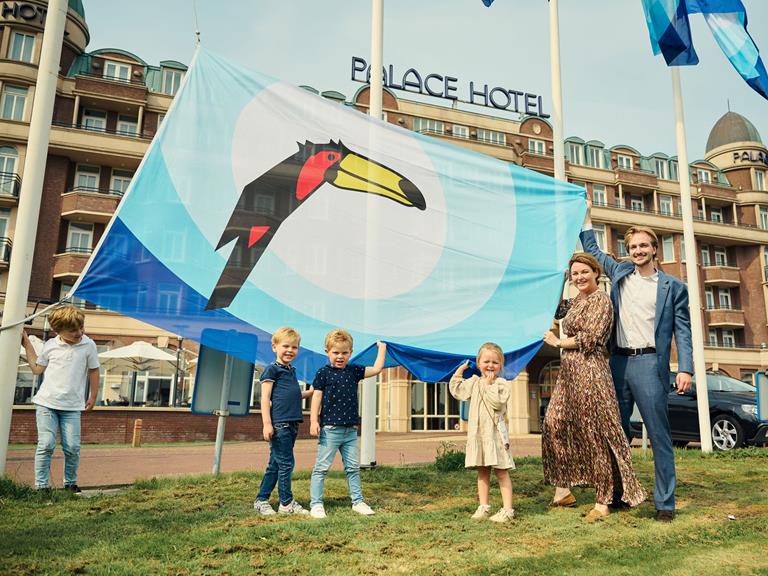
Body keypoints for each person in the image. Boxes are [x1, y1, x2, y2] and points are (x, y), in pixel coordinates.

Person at [581, 208, 693, 522]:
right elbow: (591, 250)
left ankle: (665, 504)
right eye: (633, 247)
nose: (638, 251)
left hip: (648, 363)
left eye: (643, 246)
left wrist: (685, 367)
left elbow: (682, 330)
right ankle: (617, 494)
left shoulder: (674, 288)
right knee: (616, 432)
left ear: (654, 249)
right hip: (617, 362)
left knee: (659, 434)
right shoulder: (619, 273)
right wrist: (585, 218)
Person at [542, 254, 645, 521]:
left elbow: (592, 338)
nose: (579, 277)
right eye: (575, 273)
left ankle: (603, 501)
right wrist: (559, 282)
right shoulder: (577, 300)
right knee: (554, 423)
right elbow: (555, 310)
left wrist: (558, 342)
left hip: (591, 371)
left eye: (584, 272)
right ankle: (563, 489)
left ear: (595, 272)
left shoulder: (601, 300)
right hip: (568, 374)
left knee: (594, 433)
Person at [308, 330, 387, 519]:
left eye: (344, 353)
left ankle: (358, 501)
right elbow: (317, 396)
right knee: (321, 468)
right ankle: (316, 504)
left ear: (350, 353)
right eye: (335, 352)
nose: (340, 357)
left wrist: (382, 350)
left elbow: (376, 369)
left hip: (350, 430)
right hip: (330, 430)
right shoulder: (323, 373)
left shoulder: (354, 371)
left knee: (352, 467)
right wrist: (313, 420)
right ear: (327, 352)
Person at [21, 305, 100, 493]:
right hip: (47, 404)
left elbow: (94, 370)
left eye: (81, 327)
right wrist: (27, 344)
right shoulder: (50, 345)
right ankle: (41, 486)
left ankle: (70, 484)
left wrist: (93, 395)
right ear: (58, 331)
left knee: (72, 447)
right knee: (46, 444)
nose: (79, 332)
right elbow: (36, 369)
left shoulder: (88, 345)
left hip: (72, 406)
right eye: (73, 330)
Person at [449, 342, 516, 523]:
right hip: (479, 436)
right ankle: (484, 506)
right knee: (483, 471)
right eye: (486, 361)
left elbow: (497, 402)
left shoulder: (502, 384)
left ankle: (508, 510)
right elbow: (457, 390)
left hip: (496, 437)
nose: (490, 366)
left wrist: (488, 385)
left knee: (501, 472)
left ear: (500, 365)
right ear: (479, 363)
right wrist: (460, 370)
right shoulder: (473, 383)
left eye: (495, 362)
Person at [253, 327, 314, 516]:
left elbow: (293, 395)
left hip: (292, 424)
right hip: (280, 424)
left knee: (276, 464)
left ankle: (261, 500)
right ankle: (286, 503)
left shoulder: (291, 370)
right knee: (286, 464)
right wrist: (267, 424)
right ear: (274, 347)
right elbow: (265, 399)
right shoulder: (272, 370)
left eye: (294, 347)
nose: (290, 350)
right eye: (285, 346)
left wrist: (312, 392)